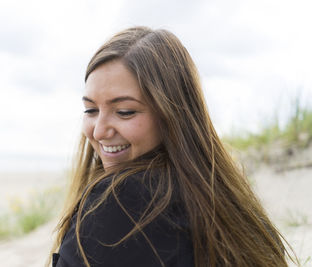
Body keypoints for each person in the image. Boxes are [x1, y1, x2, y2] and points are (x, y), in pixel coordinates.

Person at [50, 26, 296, 267]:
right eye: (91, 110)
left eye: (125, 112)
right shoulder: (230, 202)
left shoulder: (121, 200)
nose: (99, 130)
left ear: (172, 114)